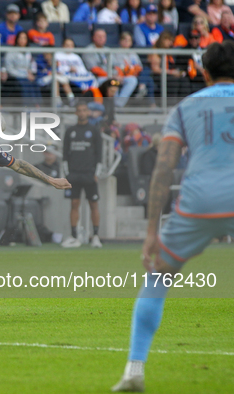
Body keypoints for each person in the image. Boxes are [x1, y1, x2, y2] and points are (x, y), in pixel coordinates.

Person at [112, 41, 234, 393]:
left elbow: (163, 171)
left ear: (205, 73)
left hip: (199, 203)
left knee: (157, 278)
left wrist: (152, 231)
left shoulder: (185, 107)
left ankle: (134, 370)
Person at [61, 101, 103, 248]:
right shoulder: (70, 131)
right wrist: (67, 173)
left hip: (89, 174)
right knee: (74, 204)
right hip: (74, 174)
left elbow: (99, 154)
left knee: (93, 204)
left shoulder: (94, 130)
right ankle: (74, 236)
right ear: (76, 113)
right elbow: (65, 154)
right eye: (79, 110)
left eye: (84, 110)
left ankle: (96, 236)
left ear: (88, 112)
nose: (82, 113)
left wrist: (96, 173)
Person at [111, 32, 150, 107]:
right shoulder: (114, 53)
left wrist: (134, 71)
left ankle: (118, 105)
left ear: (131, 42)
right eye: (124, 40)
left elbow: (139, 66)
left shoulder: (133, 53)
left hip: (129, 77)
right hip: (117, 77)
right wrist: (116, 75)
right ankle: (116, 104)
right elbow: (110, 66)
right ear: (120, 41)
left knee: (133, 80)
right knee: (113, 82)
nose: (126, 42)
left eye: (129, 40)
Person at [3, 31, 41, 102]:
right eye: (20, 38)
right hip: (15, 76)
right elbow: (9, 69)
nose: (22, 40)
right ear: (17, 39)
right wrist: (25, 75)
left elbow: (30, 65)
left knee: (35, 82)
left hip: (26, 75)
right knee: (25, 83)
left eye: (24, 38)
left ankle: (37, 105)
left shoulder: (28, 52)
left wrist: (30, 73)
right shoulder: (11, 52)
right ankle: (26, 106)